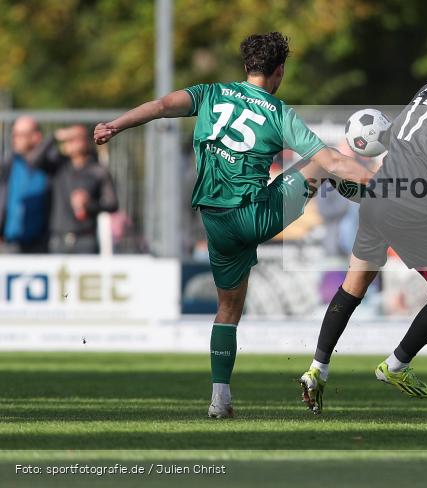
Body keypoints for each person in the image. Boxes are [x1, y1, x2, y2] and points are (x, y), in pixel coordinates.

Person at [93, 32, 373, 419]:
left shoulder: (209, 93)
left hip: (214, 219)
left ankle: (219, 398)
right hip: (254, 215)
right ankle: (373, 199)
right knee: (324, 164)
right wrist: (386, 184)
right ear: (279, 71)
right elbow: (335, 160)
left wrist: (114, 126)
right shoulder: (278, 112)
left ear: (245, 68)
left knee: (228, 308)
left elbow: (159, 105)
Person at [299, 41, 427, 414]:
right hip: (409, 211)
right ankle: (396, 365)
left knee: (352, 289)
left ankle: (317, 369)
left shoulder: (425, 90)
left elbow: (403, 139)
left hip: (377, 199)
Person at [31, 125, 119, 254]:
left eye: (77, 138)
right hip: (58, 239)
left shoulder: (97, 170)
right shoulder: (58, 166)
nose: (72, 142)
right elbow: (33, 161)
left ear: (87, 141)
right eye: (69, 138)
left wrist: (89, 204)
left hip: (86, 239)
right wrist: (54, 136)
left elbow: (112, 204)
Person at [0, 116, 51, 253]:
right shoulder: (9, 164)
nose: (15, 139)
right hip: (10, 242)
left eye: (21, 134)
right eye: (14, 134)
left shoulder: (49, 164)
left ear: (36, 137)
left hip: (41, 243)